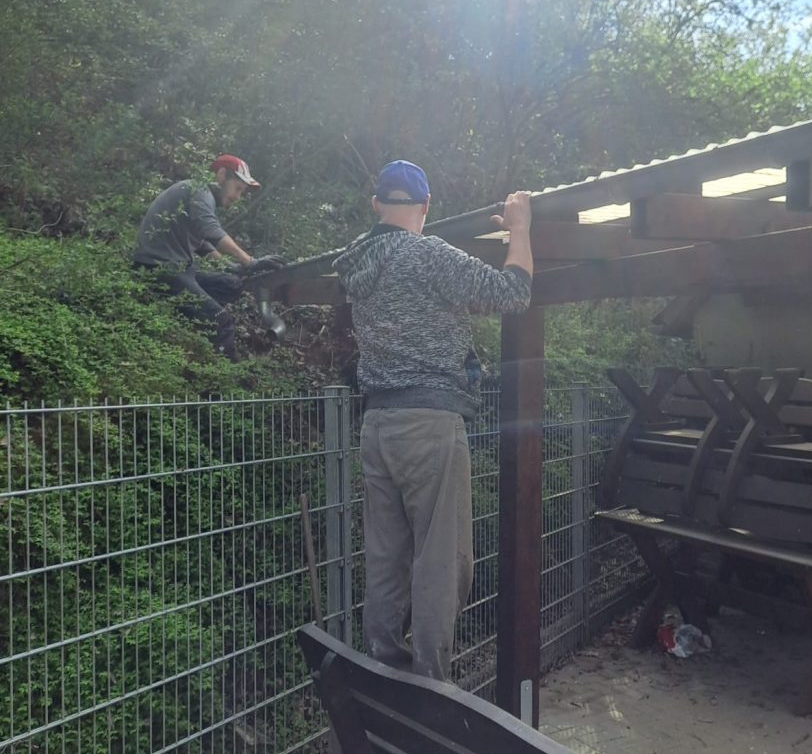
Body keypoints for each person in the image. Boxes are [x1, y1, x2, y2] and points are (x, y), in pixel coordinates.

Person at [333, 160, 533, 681]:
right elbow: (514, 294)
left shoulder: (355, 262)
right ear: (424, 208)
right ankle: (429, 685)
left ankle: (386, 670)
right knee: (443, 562)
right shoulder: (427, 254)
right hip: (430, 422)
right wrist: (522, 230)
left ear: (377, 206)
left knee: (386, 558)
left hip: (377, 424)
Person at [134, 154, 284, 359]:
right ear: (221, 175)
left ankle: (192, 317)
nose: (237, 197)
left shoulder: (198, 194)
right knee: (222, 321)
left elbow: (201, 240)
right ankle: (220, 382)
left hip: (177, 268)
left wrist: (229, 265)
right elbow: (210, 229)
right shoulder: (199, 190)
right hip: (159, 268)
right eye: (238, 188)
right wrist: (250, 262)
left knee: (230, 284)